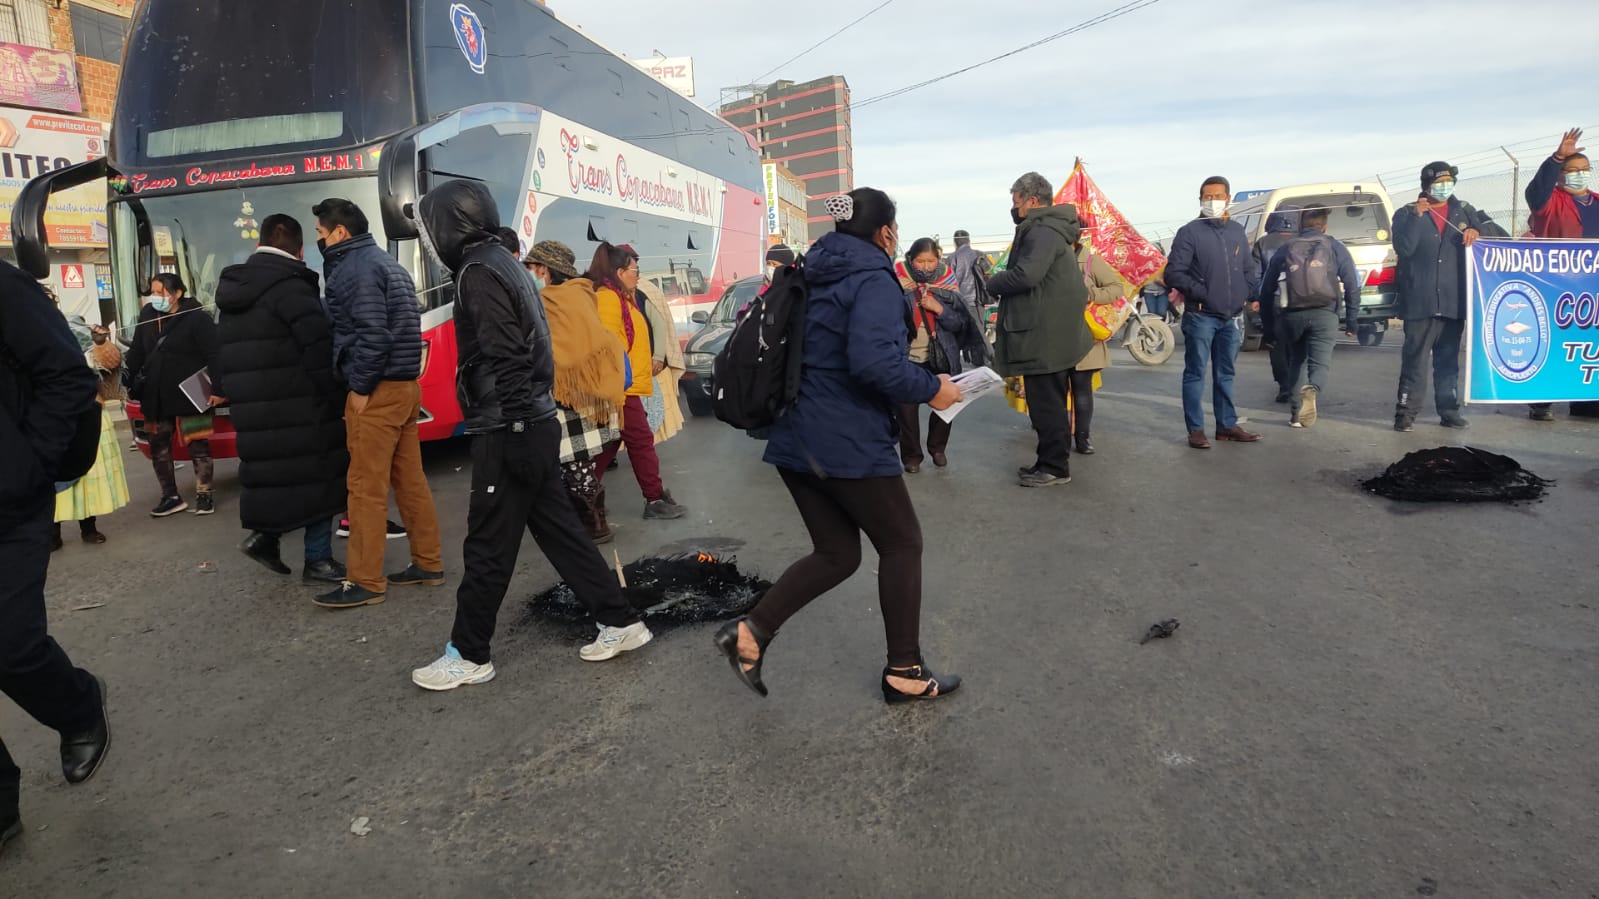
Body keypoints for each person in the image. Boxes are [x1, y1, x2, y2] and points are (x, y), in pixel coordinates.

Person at [712, 188, 964, 703]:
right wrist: (932, 387)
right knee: (901, 543)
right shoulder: (871, 277)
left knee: (837, 552)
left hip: (794, 433)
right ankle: (905, 670)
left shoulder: (812, 268)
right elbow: (874, 364)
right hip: (843, 435)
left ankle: (751, 633)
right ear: (886, 232)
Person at [410, 181, 650, 690]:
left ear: (452, 223)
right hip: (530, 421)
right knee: (561, 532)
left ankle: (469, 654)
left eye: (429, 224)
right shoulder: (504, 263)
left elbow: (507, 355)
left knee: (488, 546)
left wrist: (515, 426)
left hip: (510, 425)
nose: (428, 238)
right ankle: (621, 620)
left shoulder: (478, 271)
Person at [1, 260, 112, 858]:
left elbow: (69, 378)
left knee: (11, 645)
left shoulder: (5, 286)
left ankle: (78, 706)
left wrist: (27, 463)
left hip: (10, 506)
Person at [312, 197, 445, 608]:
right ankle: (428, 562)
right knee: (409, 480)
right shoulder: (386, 263)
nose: (318, 238)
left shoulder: (354, 269)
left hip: (378, 389)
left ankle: (365, 581)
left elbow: (373, 334)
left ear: (339, 233)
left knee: (364, 488)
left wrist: (361, 387)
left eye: (320, 232)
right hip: (406, 387)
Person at [216, 214, 350, 585]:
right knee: (318, 477)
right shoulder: (292, 287)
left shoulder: (233, 290)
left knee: (274, 478)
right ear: (300, 248)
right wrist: (338, 399)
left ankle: (265, 538)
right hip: (300, 406)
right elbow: (317, 351)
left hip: (253, 409)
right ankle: (318, 559)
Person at [985, 172, 1095, 486]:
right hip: (1051, 330)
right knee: (1051, 403)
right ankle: (1048, 461)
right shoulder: (1051, 229)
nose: (1014, 208)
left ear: (1032, 201)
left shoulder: (1042, 230)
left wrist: (994, 282)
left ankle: (1054, 467)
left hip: (1043, 333)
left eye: (1016, 202)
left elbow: (1026, 275)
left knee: (1047, 405)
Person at [523, 240, 627, 544]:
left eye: (531, 267)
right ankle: (592, 522)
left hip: (564, 393)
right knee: (578, 464)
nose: (529, 272)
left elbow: (557, 349)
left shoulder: (551, 300)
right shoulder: (583, 293)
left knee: (570, 465)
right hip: (586, 392)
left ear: (545, 269)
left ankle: (592, 524)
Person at [1391, 162, 1506, 432]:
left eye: (1449, 180)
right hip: (1420, 303)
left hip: (1454, 303)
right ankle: (1405, 413)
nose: (1444, 186)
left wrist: (1476, 231)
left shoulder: (1464, 210)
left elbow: (1497, 236)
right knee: (1415, 362)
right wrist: (1417, 218)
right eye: (1438, 182)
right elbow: (1404, 248)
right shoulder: (1406, 213)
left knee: (1448, 361)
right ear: (1426, 186)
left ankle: (1449, 411)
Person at [586, 242, 688, 520]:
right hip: (621, 388)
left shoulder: (622, 296)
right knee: (640, 440)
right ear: (620, 271)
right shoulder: (608, 298)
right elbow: (611, 346)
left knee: (611, 442)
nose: (638, 274)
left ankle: (581, 493)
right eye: (634, 269)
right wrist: (621, 386)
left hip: (625, 385)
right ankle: (654, 499)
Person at [1165, 176, 1262, 449]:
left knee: (1226, 373)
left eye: (1217, 196)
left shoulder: (1236, 232)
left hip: (1230, 317)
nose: (1212, 201)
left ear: (1228, 198)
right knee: (1195, 372)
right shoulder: (1190, 233)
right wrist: (1203, 293)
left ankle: (1226, 425)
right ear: (1200, 200)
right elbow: (1174, 273)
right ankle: (1196, 429)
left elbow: (1247, 269)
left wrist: (1247, 293)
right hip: (1200, 316)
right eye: (1206, 197)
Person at [123, 273, 223, 514]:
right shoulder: (147, 316)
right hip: (154, 394)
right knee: (159, 446)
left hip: (191, 393)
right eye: (153, 292)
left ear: (177, 293)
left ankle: (204, 495)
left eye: (161, 292)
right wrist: (127, 377)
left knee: (198, 444)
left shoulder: (197, 318)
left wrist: (219, 389)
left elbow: (215, 354)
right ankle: (170, 496)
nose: (155, 297)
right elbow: (137, 351)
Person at [1258, 206, 1360, 429]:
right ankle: (1312, 389)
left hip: (1291, 315)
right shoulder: (1334, 246)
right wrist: (1352, 320)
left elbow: (1265, 291)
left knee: (1297, 361)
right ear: (1324, 226)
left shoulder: (1286, 249)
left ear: (1300, 226)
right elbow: (1352, 284)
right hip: (1325, 314)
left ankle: (1295, 415)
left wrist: (1268, 329)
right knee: (1319, 363)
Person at [1526, 128, 1599, 421]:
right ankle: (1542, 400)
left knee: (1588, 343)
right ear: (1560, 176)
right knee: (1555, 342)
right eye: (1572, 170)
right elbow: (1535, 193)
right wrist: (1557, 158)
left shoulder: (1597, 200)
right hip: (1558, 284)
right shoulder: (1550, 201)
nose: (1579, 175)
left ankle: (1586, 400)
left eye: (1584, 170)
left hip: (1592, 287)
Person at [898, 237, 982, 472]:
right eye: (920, 261)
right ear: (910, 260)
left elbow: (959, 324)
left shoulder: (948, 284)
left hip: (943, 357)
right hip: (908, 359)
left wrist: (939, 309)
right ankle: (912, 457)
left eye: (931, 261)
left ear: (939, 259)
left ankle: (937, 448)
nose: (925, 266)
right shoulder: (897, 284)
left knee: (945, 405)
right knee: (906, 411)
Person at [52, 322, 129, 550]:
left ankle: (89, 527)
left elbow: (112, 363)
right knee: (54, 477)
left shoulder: (82, 336)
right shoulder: (34, 341)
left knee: (89, 475)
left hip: (89, 413)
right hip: (55, 418)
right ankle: (52, 532)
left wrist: (101, 343)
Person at [1069, 233, 1125, 455]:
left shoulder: (1091, 261)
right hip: (1055, 335)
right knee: (1055, 392)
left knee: (1082, 390)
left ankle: (1082, 437)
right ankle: (1058, 438)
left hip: (1086, 335)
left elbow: (1115, 287)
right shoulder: (1048, 259)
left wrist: (1091, 294)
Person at [1252, 206, 1301, 403]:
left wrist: (1255, 298)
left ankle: (1284, 386)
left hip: (1274, 299)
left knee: (1277, 345)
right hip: (1303, 300)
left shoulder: (1263, 243)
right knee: (1299, 344)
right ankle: (1300, 384)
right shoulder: (1305, 240)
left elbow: (1256, 275)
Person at [946, 229, 991, 325]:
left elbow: (947, 283)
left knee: (961, 335)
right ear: (969, 241)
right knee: (979, 334)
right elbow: (990, 275)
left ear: (954, 243)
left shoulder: (951, 258)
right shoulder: (980, 255)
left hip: (958, 302)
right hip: (978, 302)